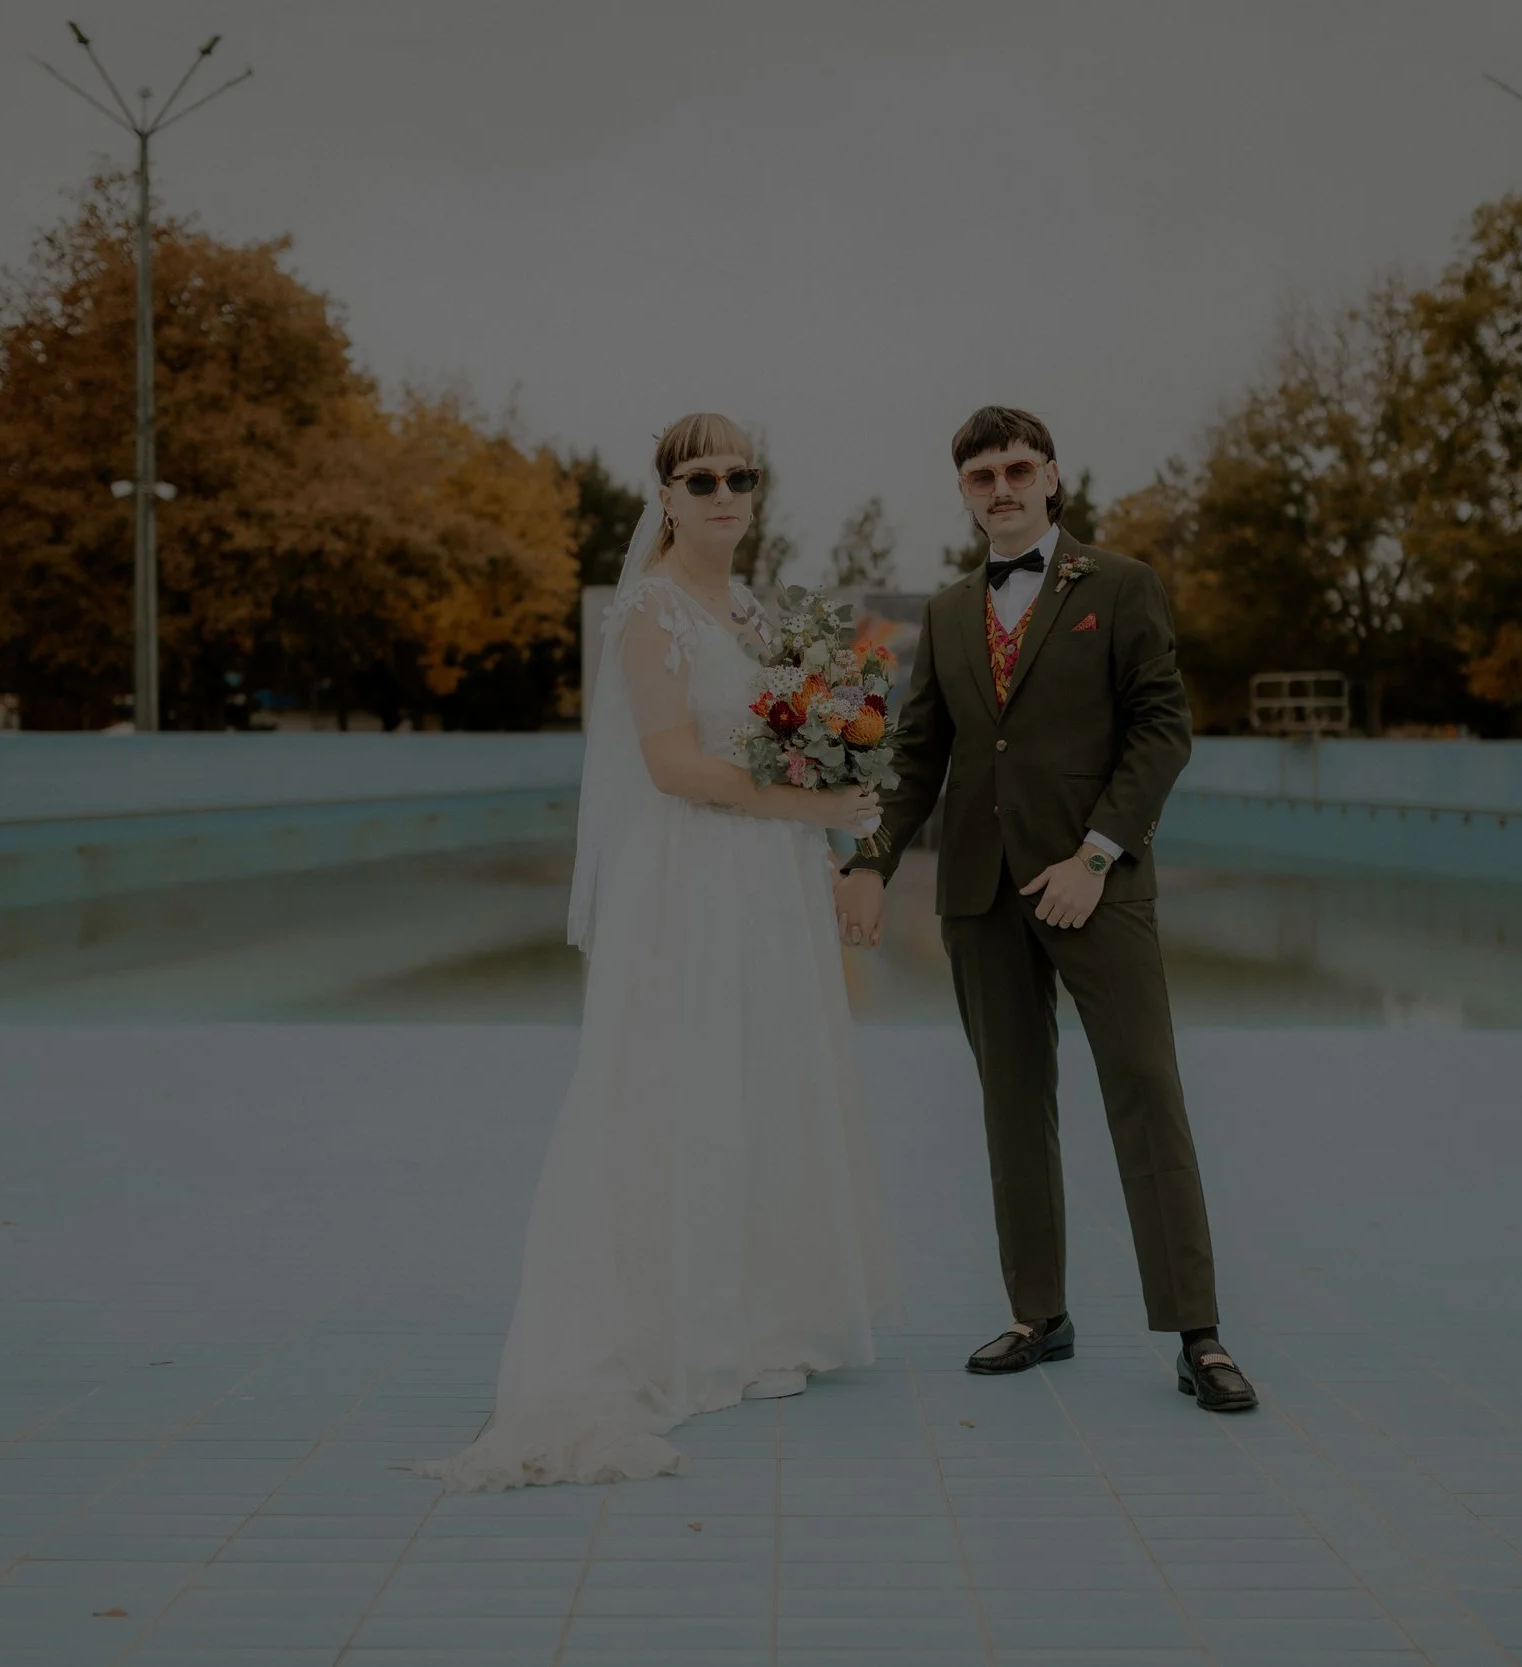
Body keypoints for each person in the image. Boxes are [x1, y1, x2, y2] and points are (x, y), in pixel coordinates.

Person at [418, 413, 897, 1491]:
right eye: (701, 476)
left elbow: (778, 733)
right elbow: (675, 765)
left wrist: (818, 836)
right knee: (677, 1086)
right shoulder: (646, 612)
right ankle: (682, 1323)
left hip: (768, 879)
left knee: (766, 1078)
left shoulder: (763, 610)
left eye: (741, 475)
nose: (724, 491)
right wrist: (811, 799)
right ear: (667, 496)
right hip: (690, 877)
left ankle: (763, 1318)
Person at [833, 405, 1257, 1414]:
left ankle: (1198, 1332)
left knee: (1146, 1093)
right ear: (965, 493)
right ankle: (1040, 1311)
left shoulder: (1119, 587)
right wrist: (869, 861)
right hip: (979, 896)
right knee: (1011, 1107)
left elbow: (1162, 730)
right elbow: (920, 753)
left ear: (1053, 477)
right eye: (981, 475)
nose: (1002, 487)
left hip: (1095, 887)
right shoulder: (942, 615)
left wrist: (1097, 853)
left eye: (1018, 468)